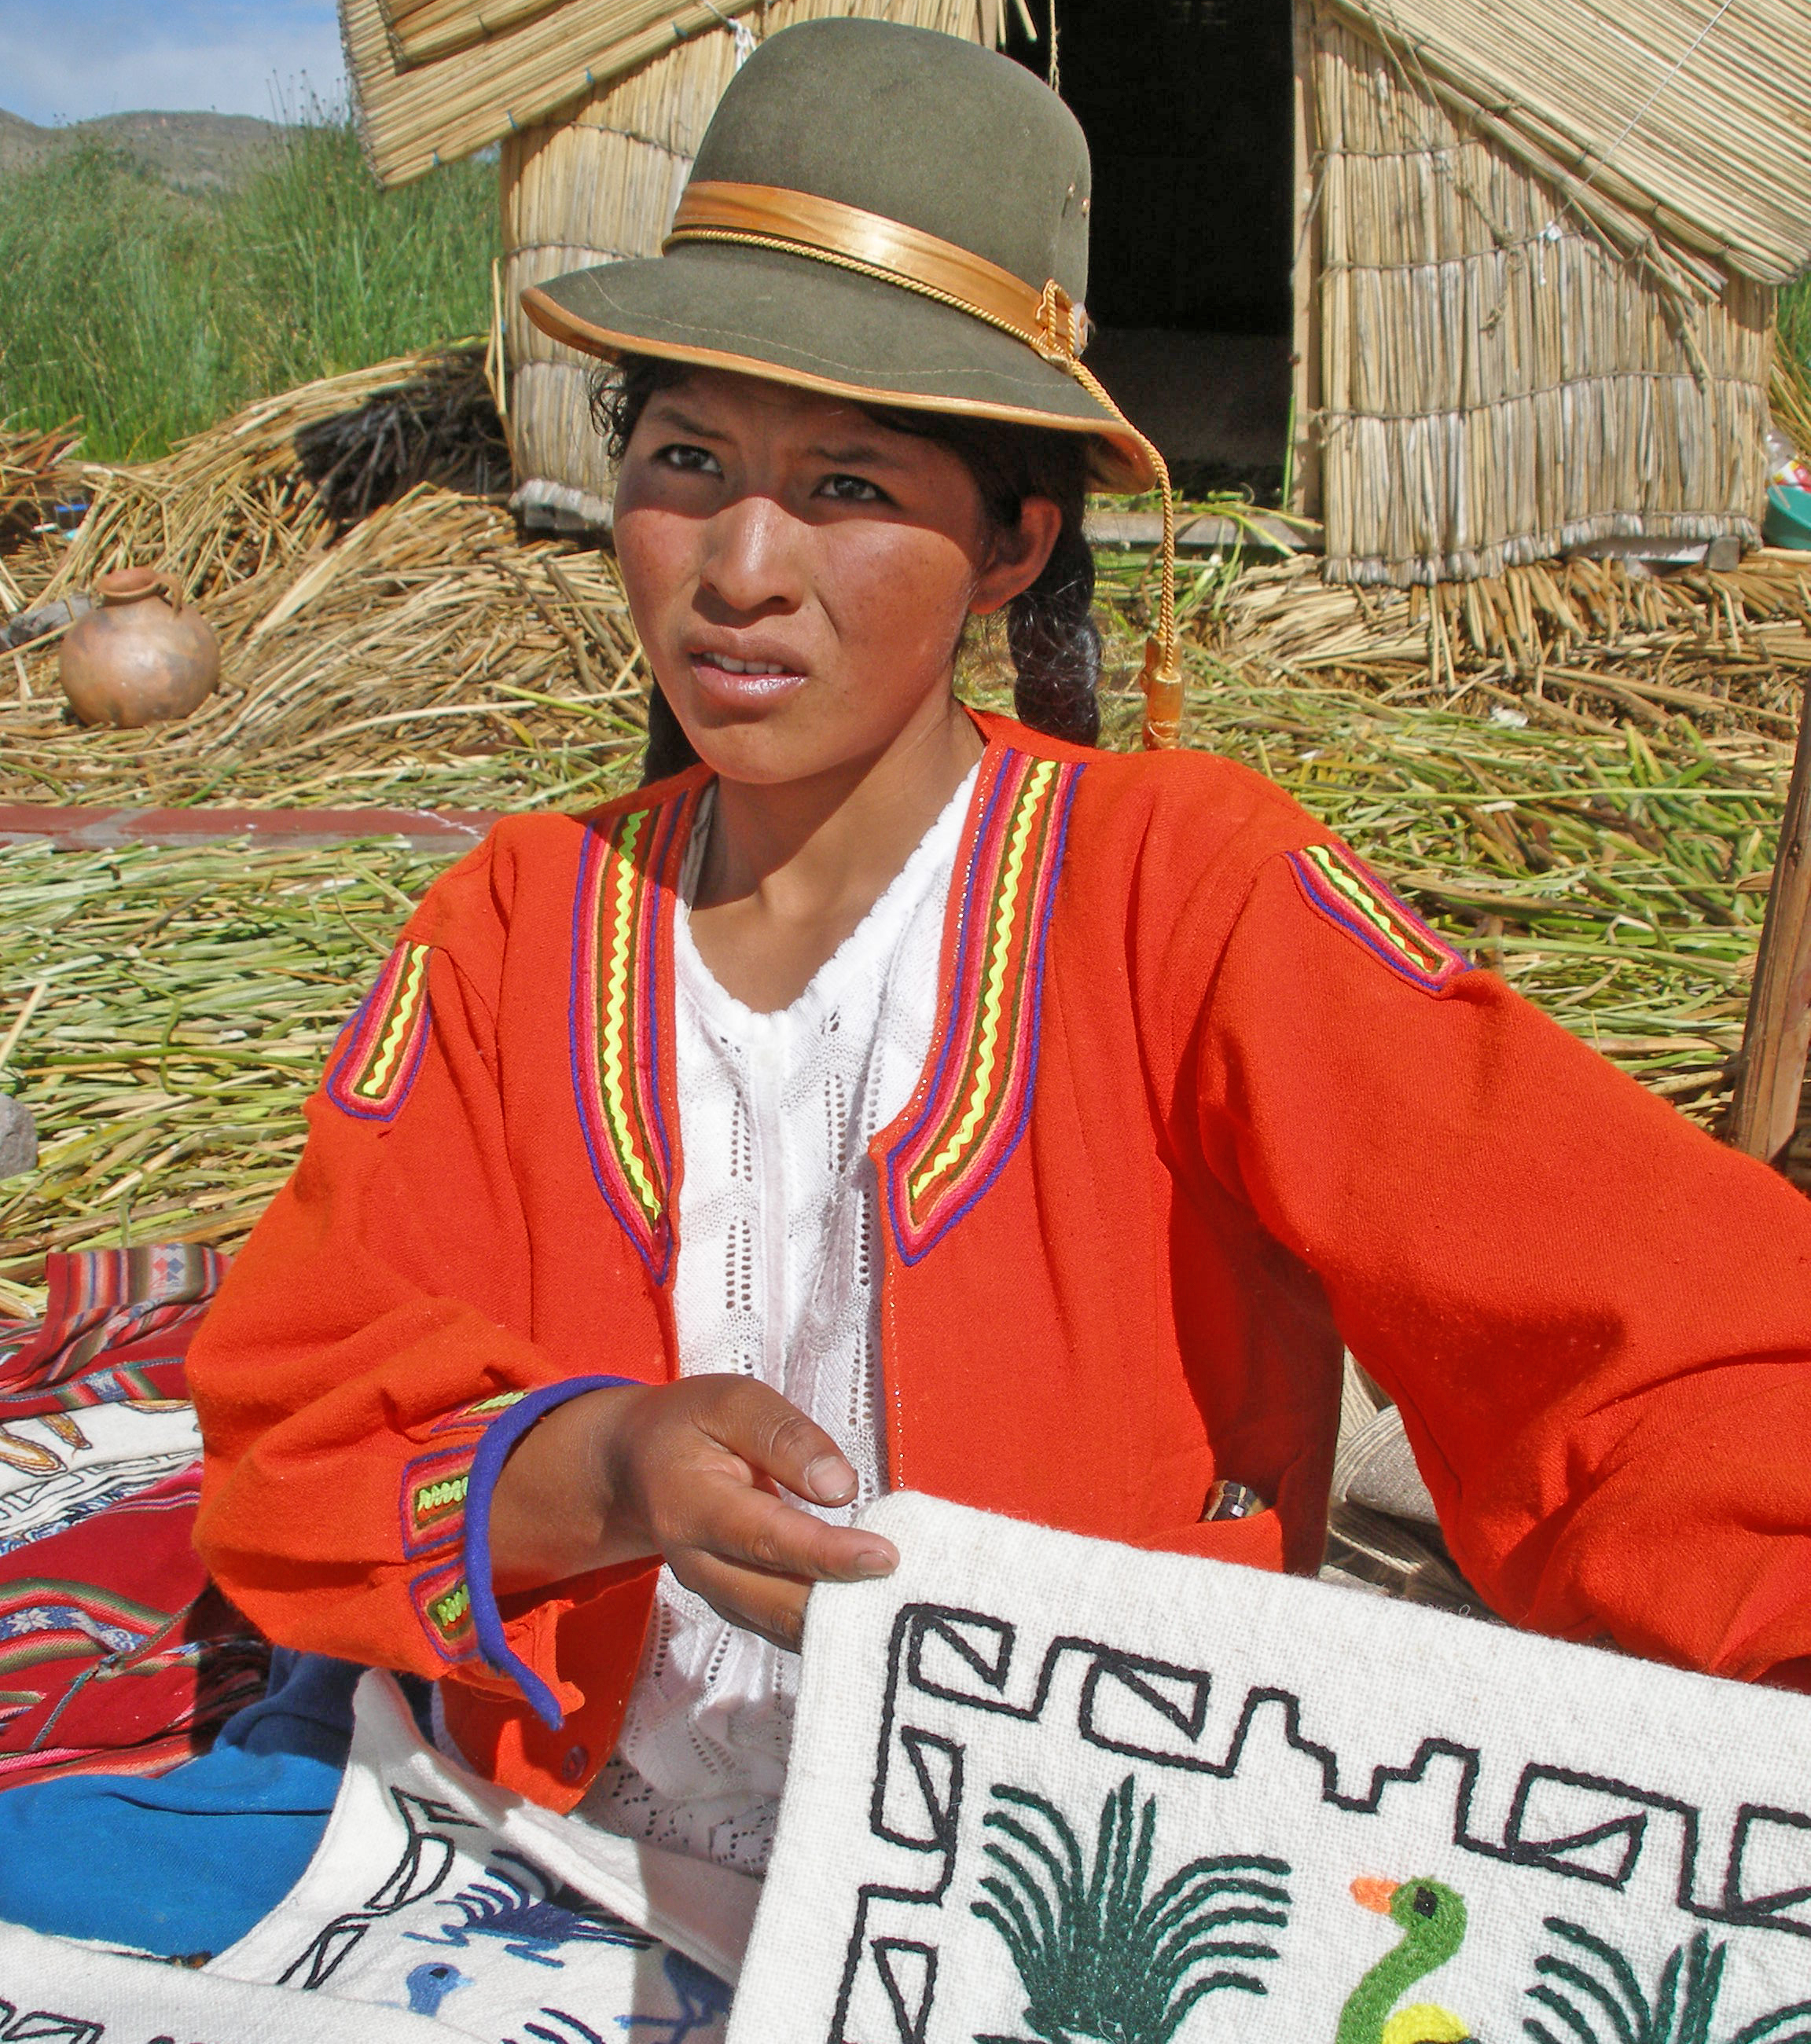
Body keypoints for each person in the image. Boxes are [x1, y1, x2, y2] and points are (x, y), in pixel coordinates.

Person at [191, 19, 1811, 1877]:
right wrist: (601, 1468)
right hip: (558, 1833)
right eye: (686, 457)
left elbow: (1640, 1317)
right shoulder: (511, 925)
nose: (738, 565)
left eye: (851, 489)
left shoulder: (1177, 893)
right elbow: (290, 1417)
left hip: (1062, 1884)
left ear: (1017, 537)